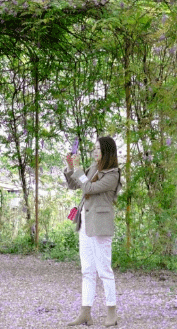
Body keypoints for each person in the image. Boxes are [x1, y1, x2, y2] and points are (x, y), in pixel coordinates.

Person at [64, 136, 122, 327]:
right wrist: (72, 167)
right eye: (94, 148)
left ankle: (112, 313)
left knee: (104, 270)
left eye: (99, 149)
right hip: (86, 223)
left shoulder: (113, 174)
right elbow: (75, 185)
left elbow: (88, 187)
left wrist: (79, 170)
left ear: (107, 152)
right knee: (87, 270)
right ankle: (85, 312)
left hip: (101, 225)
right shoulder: (93, 168)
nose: (95, 151)